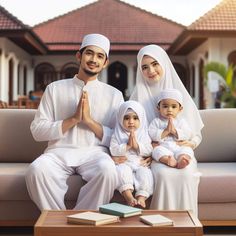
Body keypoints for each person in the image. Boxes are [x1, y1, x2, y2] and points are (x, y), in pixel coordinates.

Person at [25, 33, 124, 211]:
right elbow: (37, 131)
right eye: (89, 53)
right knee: (36, 170)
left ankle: (83, 222)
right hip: (58, 153)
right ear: (79, 56)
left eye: (100, 56)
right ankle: (57, 221)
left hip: (95, 153)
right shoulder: (54, 89)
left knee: (108, 171)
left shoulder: (114, 95)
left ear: (105, 63)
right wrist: (73, 120)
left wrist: (88, 121)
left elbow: (119, 138)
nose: (94, 59)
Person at [130, 44, 204, 216]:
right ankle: (161, 226)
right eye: (145, 67)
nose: (151, 70)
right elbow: (130, 132)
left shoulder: (181, 95)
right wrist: (147, 152)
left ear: (164, 63)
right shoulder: (137, 98)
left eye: (155, 64)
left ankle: (185, 225)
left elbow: (196, 133)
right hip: (157, 155)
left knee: (186, 175)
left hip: (181, 151)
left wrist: (191, 143)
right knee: (163, 175)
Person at [110, 100, 153, 208]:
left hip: (140, 163)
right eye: (126, 118)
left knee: (146, 174)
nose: (131, 121)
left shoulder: (143, 134)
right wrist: (127, 146)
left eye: (135, 118)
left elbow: (149, 149)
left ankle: (141, 198)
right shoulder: (117, 133)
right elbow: (113, 149)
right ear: (120, 119)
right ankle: (129, 197)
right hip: (124, 162)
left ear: (141, 119)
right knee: (122, 172)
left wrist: (136, 146)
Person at [149, 88, 194, 169]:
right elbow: (151, 133)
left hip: (178, 147)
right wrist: (166, 131)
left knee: (188, 150)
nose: (169, 110)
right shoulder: (156, 121)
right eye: (165, 106)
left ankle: (182, 159)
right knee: (156, 151)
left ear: (180, 109)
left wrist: (174, 131)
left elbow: (188, 133)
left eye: (173, 107)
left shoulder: (181, 122)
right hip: (163, 147)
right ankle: (168, 160)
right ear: (158, 108)